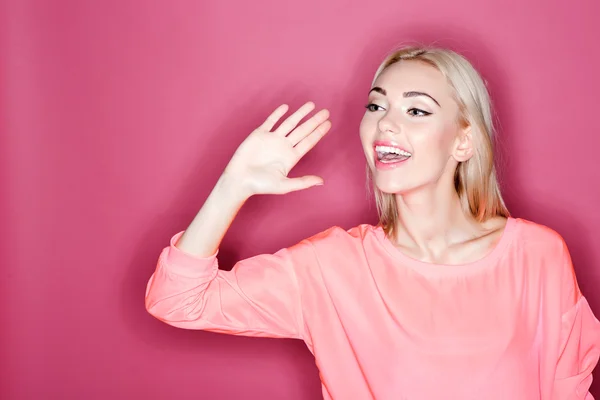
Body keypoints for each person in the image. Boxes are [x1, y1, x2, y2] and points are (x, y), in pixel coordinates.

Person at [144, 46, 600, 399]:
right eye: (376, 107)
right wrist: (232, 186)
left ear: (463, 142)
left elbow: (569, 390)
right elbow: (178, 300)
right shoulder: (330, 268)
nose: (385, 126)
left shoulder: (537, 256)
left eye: (416, 110)